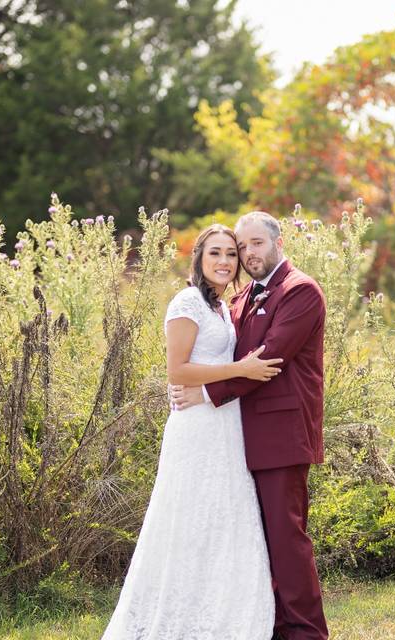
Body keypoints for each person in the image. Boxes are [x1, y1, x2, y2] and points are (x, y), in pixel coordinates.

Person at [102, 223, 281, 639]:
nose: (224, 261)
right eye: (215, 253)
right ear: (198, 258)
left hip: (226, 428)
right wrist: (241, 369)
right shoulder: (187, 302)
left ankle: (225, 616)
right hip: (196, 431)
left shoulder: (222, 306)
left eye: (231, 254)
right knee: (188, 520)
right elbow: (176, 370)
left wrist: (214, 387)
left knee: (224, 519)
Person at [170, 211, 330, 640]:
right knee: (254, 543)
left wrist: (203, 394)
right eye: (242, 248)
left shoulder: (300, 291)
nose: (247, 254)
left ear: (278, 242)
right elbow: (224, 359)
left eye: (255, 243)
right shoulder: (238, 300)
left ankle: (306, 633)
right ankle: (270, 626)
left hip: (282, 437)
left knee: (286, 539)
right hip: (235, 437)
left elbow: (270, 359)